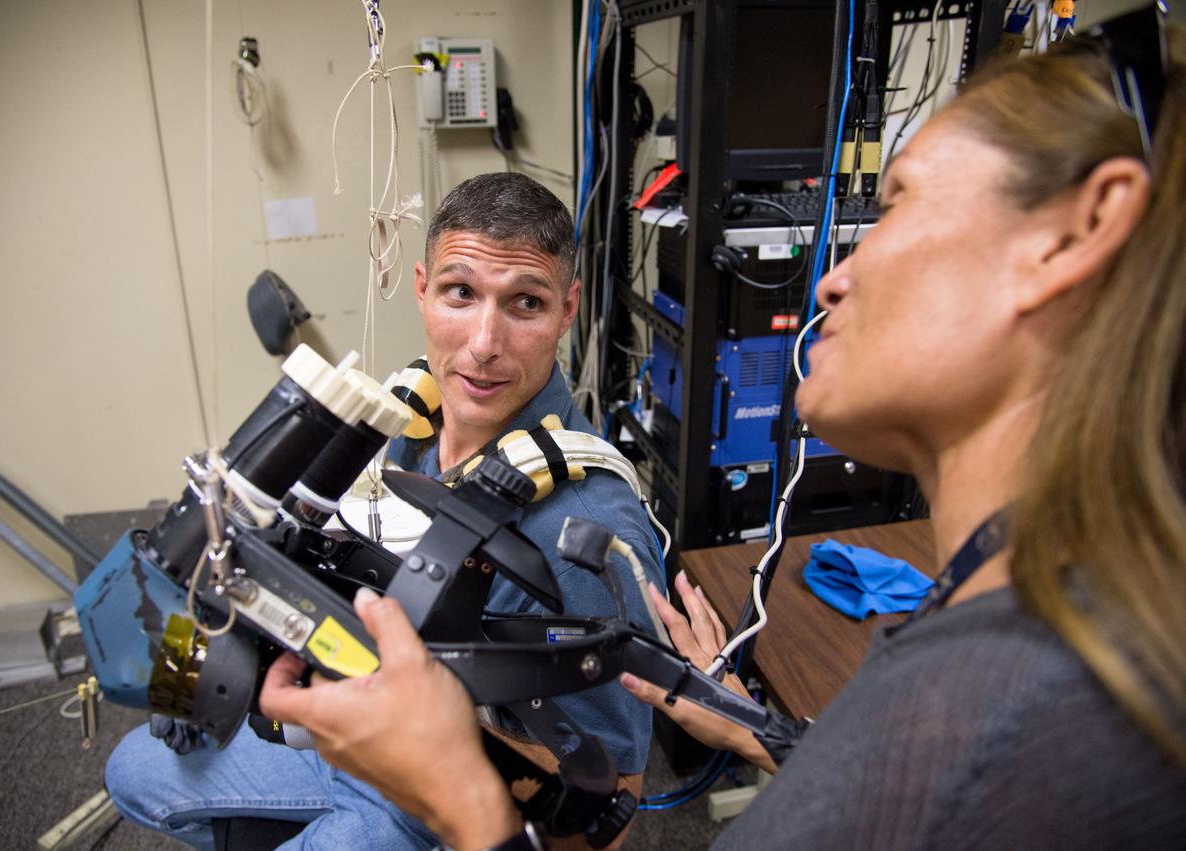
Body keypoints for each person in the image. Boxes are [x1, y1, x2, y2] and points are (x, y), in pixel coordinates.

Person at [258, 13, 1186, 850]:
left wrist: (463, 797)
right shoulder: (1023, 624)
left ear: (1076, 234)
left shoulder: (1018, 725)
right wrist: (753, 727)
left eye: (896, 202)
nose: (831, 278)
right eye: (459, 294)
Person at [105, 172, 665, 850]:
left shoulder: (587, 530)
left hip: (449, 795)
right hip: (343, 731)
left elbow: (615, 808)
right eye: (461, 293)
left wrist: (437, 745)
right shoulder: (402, 427)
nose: (484, 344)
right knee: (134, 768)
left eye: (524, 303)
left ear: (568, 309)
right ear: (422, 287)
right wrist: (200, 660)